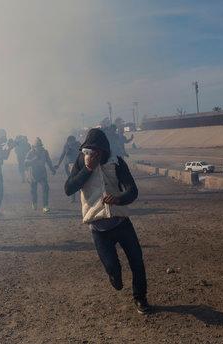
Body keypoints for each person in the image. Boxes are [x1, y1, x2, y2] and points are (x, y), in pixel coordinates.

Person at [64, 128, 150, 315]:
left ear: (105, 150)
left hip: (121, 222)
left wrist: (119, 199)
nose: (95, 154)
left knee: (137, 261)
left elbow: (132, 190)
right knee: (113, 271)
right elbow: (69, 188)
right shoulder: (81, 161)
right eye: (91, 150)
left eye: (99, 151)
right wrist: (87, 169)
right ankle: (114, 275)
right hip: (99, 229)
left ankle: (140, 298)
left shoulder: (116, 162)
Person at [25, 137, 56, 213]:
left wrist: (52, 169)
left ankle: (45, 206)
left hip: (42, 173)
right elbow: (25, 163)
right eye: (37, 146)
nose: (39, 148)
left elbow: (48, 161)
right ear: (34, 147)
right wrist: (33, 160)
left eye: (40, 146)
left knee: (45, 188)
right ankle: (34, 202)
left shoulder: (45, 152)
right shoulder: (30, 153)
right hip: (33, 174)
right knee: (33, 190)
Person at [54, 135, 81, 202]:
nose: (70, 142)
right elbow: (62, 155)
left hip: (75, 164)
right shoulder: (66, 146)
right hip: (67, 165)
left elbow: (81, 153)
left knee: (77, 180)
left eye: (71, 141)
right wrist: (58, 164)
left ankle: (81, 196)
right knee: (71, 181)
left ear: (74, 141)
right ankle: (73, 198)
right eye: (69, 141)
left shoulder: (78, 145)